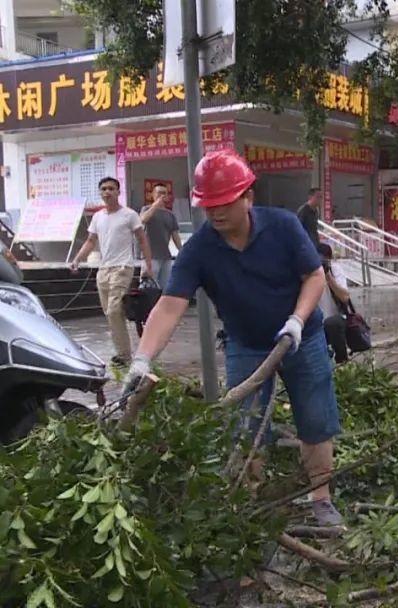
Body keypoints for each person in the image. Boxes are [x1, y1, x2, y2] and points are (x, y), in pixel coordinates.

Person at [122, 150, 344, 526]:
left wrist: (297, 320)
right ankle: (250, 507)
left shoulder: (284, 226)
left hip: (301, 338)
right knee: (246, 430)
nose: (216, 213)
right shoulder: (199, 249)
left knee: (315, 417)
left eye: (225, 202)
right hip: (246, 344)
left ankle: (321, 499)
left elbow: (315, 277)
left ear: (248, 197)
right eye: (209, 206)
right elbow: (170, 306)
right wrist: (142, 359)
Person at [70, 177, 153, 366]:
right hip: (104, 269)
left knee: (115, 310)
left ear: (118, 192)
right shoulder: (98, 217)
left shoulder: (129, 215)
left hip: (123, 267)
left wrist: (148, 265)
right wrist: (77, 259)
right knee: (110, 312)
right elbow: (91, 241)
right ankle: (122, 352)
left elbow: (142, 239)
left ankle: (125, 355)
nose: (107, 192)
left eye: (111, 188)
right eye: (104, 189)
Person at [140, 182, 183, 288]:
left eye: (164, 193)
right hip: (150, 257)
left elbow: (175, 236)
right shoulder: (146, 209)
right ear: (153, 195)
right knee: (149, 287)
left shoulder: (170, 215)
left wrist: (182, 251)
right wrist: (155, 206)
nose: (162, 196)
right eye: (159, 193)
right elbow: (143, 219)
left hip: (166, 256)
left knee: (166, 287)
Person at [317, 243, 351, 364]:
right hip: (316, 323)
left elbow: (345, 297)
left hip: (335, 320)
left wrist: (328, 277)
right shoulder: (308, 273)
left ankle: (342, 361)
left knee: (333, 323)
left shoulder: (335, 270)